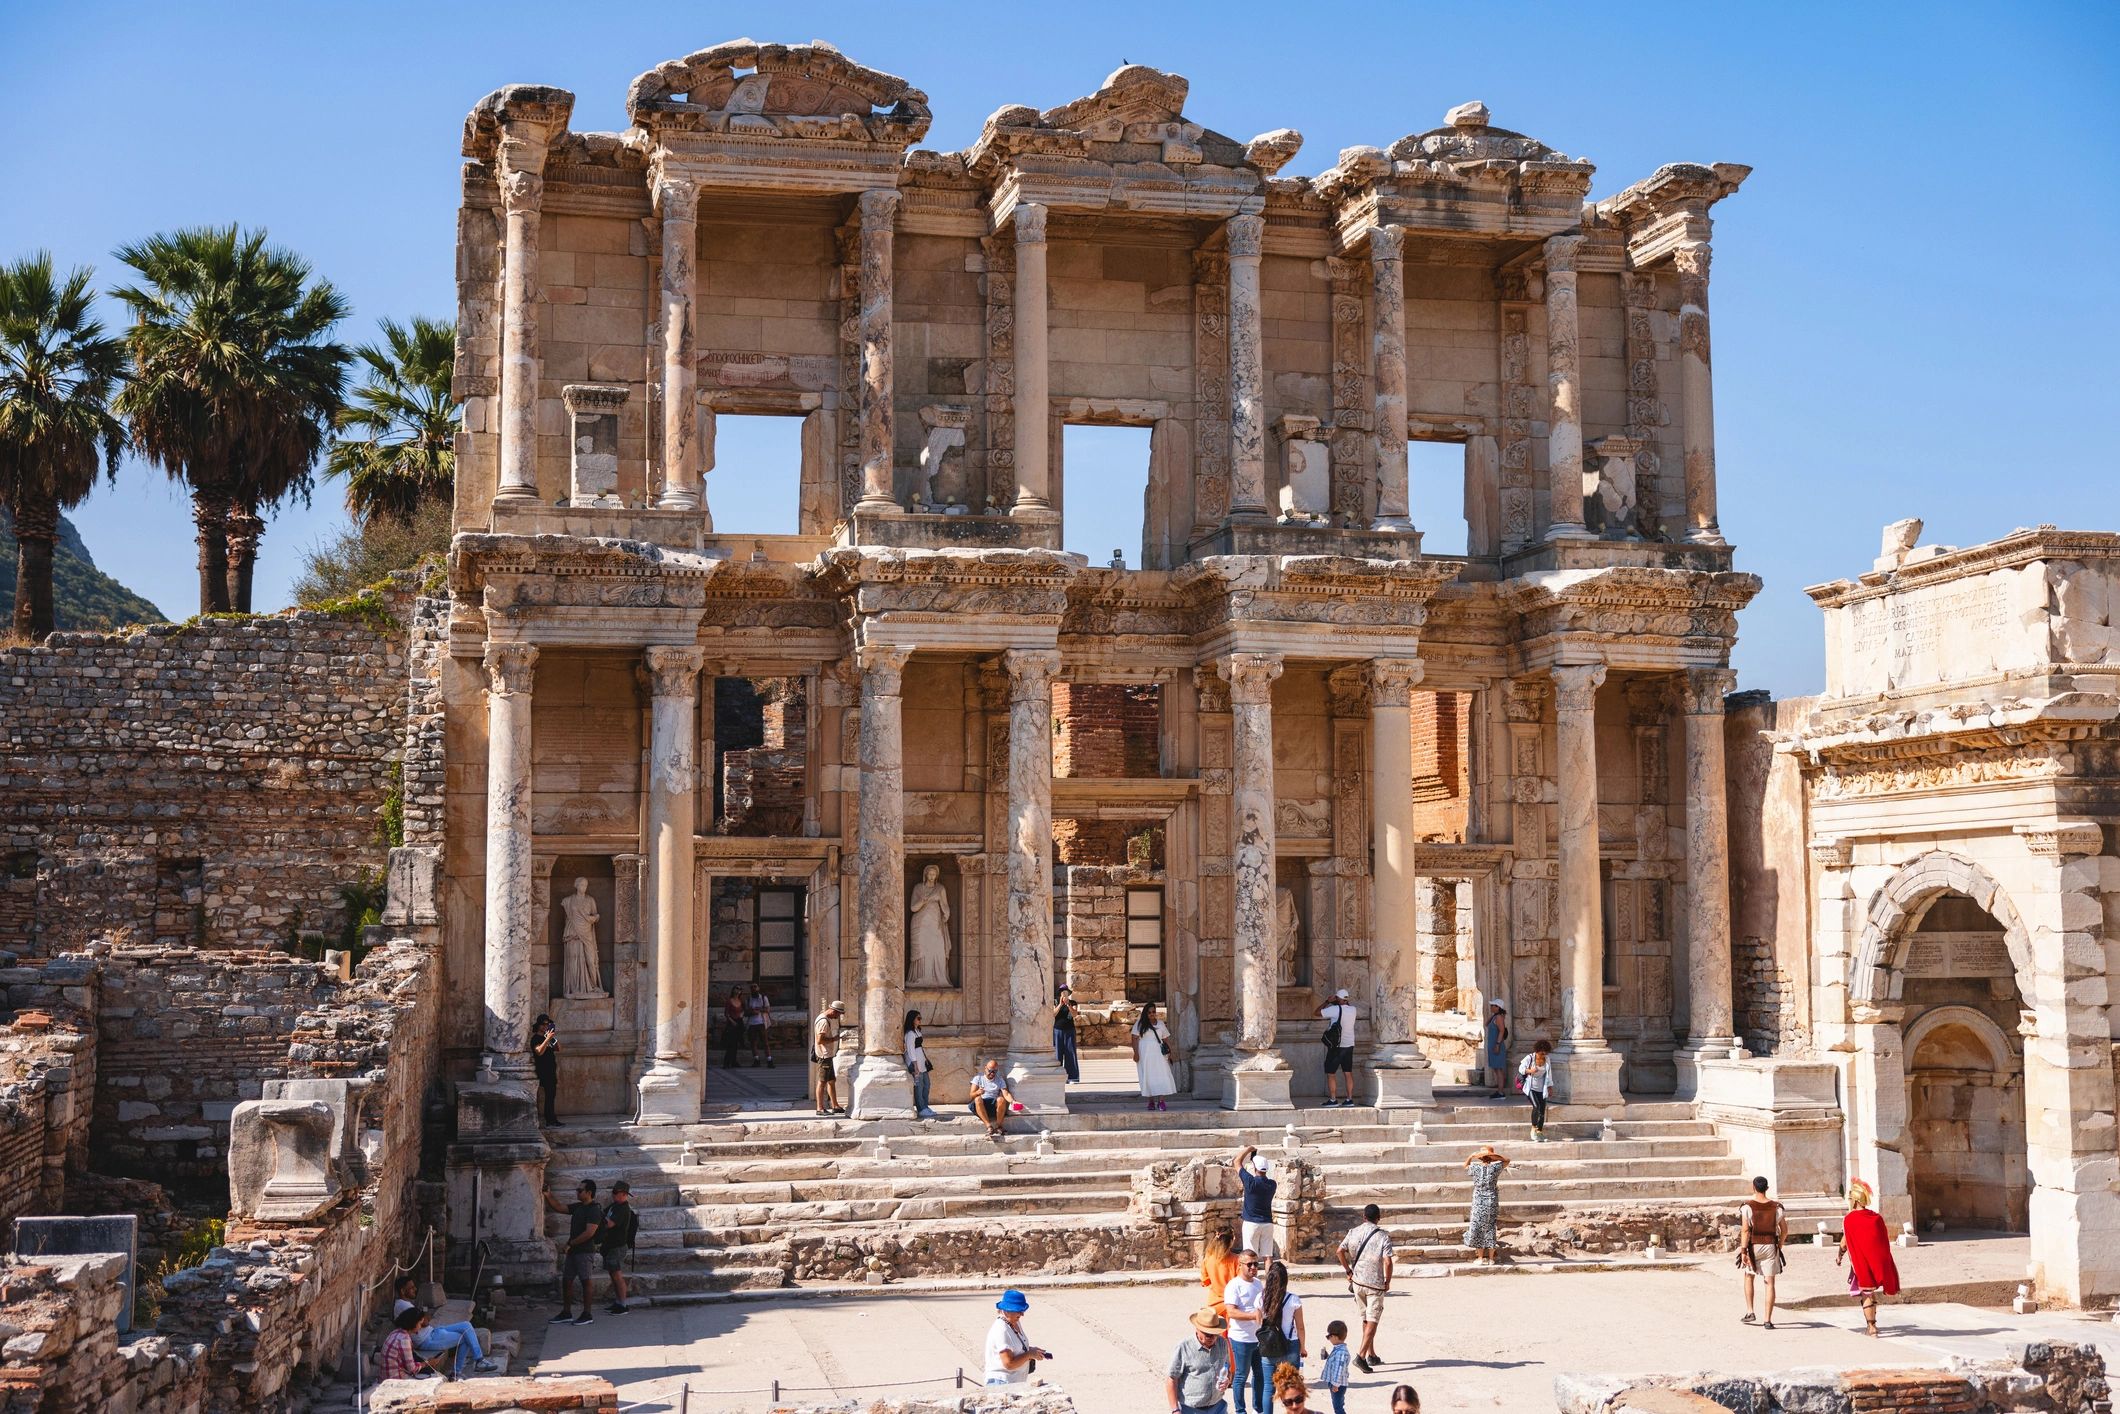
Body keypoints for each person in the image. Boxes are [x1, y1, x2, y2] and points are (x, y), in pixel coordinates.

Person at [392, 1275, 499, 1375]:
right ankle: (459, 1371)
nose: (415, 1289)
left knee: (466, 1325)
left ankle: (477, 1361)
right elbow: (424, 1321)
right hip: (427, 1340)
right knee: (466, 1337)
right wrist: (425, 1316)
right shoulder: (404, 1306)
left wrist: (425, 1316)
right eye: (411, 1288)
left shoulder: (405, 1304)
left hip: (432, 1331)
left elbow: (425, 1319)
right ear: (402, 1291)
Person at [1836, 1179, 1900, 1338]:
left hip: (1862, 1262)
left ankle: (1871, 1327)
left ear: (1855, 1200)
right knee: (1870, 1292)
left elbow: (1844, 1243)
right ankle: (1873, 1323)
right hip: (1878, 1261)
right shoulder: (1876, 1217)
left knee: (1867, 1293)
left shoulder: (1850, 1219)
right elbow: (1883, 1241)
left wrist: (1839, 1256)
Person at [1335, 1202, 1393, 1373]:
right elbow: (1388, 1261)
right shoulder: (1383, 1236)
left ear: (1364, 1217)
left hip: (1358, 1283)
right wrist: (1387, 1281)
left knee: (1366, 1319)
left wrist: (1348, 1270)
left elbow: (1339, 1251)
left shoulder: (1354, 1232)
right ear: (1379, 1218)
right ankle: (1360, 1356)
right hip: (1374, 1284)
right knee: (1373, 1320)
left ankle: (1371, 1354)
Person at [544, 1179, 603, 1325]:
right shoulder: (579, 1207)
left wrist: (571, 1243)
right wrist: (548, 1195)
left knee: (586, 1281)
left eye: (580, 1190)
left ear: (589, 1193)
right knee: (567, 1281)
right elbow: (559, 1207)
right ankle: (566, 1312)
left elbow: (589, 1233)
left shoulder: (594, 1210)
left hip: (584, 1251)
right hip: (574, 1251)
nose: (577, 1192)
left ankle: (587, 1314)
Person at [1738, 1174, 1788, 1329]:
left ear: (1753, 1187)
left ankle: (1750, 1311)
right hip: (1771, 1245)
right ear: (1767, 1188)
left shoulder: (1747, 1207)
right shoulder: (1777, 1207)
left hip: (1754, 1246)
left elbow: (1745, 1231)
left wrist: (1743, 1250)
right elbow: (1784, 1231)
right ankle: (1767, 1320)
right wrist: (1779, 1244)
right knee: (1770, 1282)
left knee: (1748, 1276)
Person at [1223, 1247, 1267, 1414]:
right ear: (1240, 1265)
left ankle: (1259, 1408)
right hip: (1241, 1338)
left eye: (1256, 1264)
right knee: (1241, 1376)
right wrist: (1252, 1316)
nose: (1253, 1268)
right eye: (1249, 1264)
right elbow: (1231, 1312)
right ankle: (1240, 1410)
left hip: (1258, 1338)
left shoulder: (1257, 1283)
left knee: (1260, 1374)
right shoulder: (1234, 1286)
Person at [1167, 1305, 1234, 1414]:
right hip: (1190, 1409)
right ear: (1198, 1329)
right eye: (1208, 1334)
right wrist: (1175, 1409)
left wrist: (1227, 1380)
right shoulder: (1184, 1347)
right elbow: (1171, 1379)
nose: (1212, 1338)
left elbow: (1228, 1369)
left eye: (1215, 1334)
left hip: (1218, 1407)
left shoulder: (1223, 1343)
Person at [983, 1288, 1049, 1386]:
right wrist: (1029, 1354)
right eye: (1018, 1310)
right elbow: (1008, 1363)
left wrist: (1032, 1351)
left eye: (1022, 1310)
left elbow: (1015, 1348)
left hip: (1013, 1381)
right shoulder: (1001, 1330)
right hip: (1001, 1382)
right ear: (1007, 1310)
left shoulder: (1014, 1321)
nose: (1022, 1314)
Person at [1462, 1143, 1510, 1265]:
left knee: (1478, 1227)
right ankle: (1491, 1259)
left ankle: (1480, 1258)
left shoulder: (1475, 1167)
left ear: (1480, 1158)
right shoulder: (1496, 1167)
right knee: (1490, 1227)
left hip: (1478, 1199)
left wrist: (1471, 1156)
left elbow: (1465, 1165)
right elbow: (1507, 1161)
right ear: (1491, 1157)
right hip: (1491, 1199)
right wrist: (1496, 1157)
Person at [1256, 1258, 1304, 1376]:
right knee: (1291, 1386)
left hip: (1269, 1343)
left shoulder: (1261, 1297)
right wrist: (1302, 1347)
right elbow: (1300, 1327)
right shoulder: (1293, 1300)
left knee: (1268, 1387)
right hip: (1290, 1343)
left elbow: (1259, 1321)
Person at [600, 1179, 639, 1314]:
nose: (613, 1194)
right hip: (610, 1245)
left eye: (616, 1192)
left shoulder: (623, 1209)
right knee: (613, 1275)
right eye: (613, 1192)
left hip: (617, 1246)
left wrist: (600, 1218)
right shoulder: (614, 1206)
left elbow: (610, 1224)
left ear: (624, 1194)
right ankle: (618, 1302)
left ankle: (623, 1305)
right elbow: (603, 1214)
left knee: (617, 1276)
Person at [1235, 1144, 1279, 1260]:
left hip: (1251, 1223)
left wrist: (1248, 1149)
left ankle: (1252, 1278)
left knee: (1249, 1257)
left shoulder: (1250, 1182)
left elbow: (1237, 1162)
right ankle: (1271, 1278)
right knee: (1268, 1256)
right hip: (1267, 1223)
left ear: (1255, 1169)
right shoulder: (1272, 1184)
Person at [1135, 1000, 1177, 1111]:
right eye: (1149, 1012)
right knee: (1148, 1076)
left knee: (1162, 1074)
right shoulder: (1139, 1024)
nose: (1152, 1014)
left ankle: (1161, 1101)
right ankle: (1151, 1102)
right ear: (1145, 1013)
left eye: (1153, 1011)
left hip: (1159, 1053)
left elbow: (1166, 1039)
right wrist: (1136, 1053)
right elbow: (1134, 1038)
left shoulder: (1161, 1024)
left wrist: (1170, 1053)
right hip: (1145, 1053)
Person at [1318, 990, 1357, 1107]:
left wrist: (1327, 1002)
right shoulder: (1353, 1009)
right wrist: (1337, 1001)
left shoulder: (1335, 1009)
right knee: (1348, 1072)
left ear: (1338, 999)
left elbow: (1316, 1012)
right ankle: (1349, 1099)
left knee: (1331, 1073)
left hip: (1336, 1047)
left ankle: (1333, 1099)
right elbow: (1345, 1007)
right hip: (1349, 1045)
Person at [382, 1306, 437, 1382]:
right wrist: (427, 1363)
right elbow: (412, 1369)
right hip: (395, 1379)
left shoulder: (395, 1332)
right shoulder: (404, 1340)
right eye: (420, 1324)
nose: (420, 1327)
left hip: (386, 1375)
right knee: (432, 1377)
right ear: (414, 1323)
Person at [813, 1000, 847, 1116]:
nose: (838, 1017)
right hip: (824, 1055)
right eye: (838, 1014)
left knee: (831, 1081)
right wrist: (835, 1039)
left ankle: (835, 1105)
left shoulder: (823, 1018)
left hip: (827, 1055)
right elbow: (820, 1040)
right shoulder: (823, 1022)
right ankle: (820, 1108)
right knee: (822, 1082)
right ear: (833, 1011)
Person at [969, 1058, 1017, 1139]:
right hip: (981, 1104)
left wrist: (1013, 1101)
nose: (992, 1073)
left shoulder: (1000, 1080)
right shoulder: (978, 1078)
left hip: (994, 1104)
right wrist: (978, 1092)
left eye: (995, 1071)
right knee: (977, 1099)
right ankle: (989, 1126)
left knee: (1001, 1099)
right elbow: (971, 1095)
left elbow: (1006, 1094)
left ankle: (999, 1126)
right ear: (985, 1068)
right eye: (990, 1070)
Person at [1199, 1226, 1240, 1316]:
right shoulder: (1237, 1260)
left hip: (1213, 1305)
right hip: (1233, 1305)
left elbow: (1205, 1282)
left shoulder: (1208, 1258)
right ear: (1231, 1241)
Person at [1517, 1039, 1552, 1142]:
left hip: (1542, 1088)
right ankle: (1533, 1128)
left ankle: (1539, 1132)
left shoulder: (1547, 1059)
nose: (1543, 1055)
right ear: (1537, 1051)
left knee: (1542, 1110)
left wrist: (1550, 1087)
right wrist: (1530, 1070)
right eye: (1541, 1053)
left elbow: (1549, 1073)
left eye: (1545, 1053)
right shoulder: (1530, 1058)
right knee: (1536, 1106)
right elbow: (1521, 1069)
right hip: (1531, 1087)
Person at [904, 1009, 936, 1118]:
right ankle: (921, 1108)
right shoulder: (910, 1034)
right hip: (915, 1062)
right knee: (919, 1086)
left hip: (921, 1061)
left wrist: (925, 1058)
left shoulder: (917, 1031)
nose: (920, 1020)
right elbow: (910, 1050)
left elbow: (920, 1047)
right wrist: (915, 1066)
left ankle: (925, 1106)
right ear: (912, 1019)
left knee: (926, 1084)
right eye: (918, 1018)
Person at [1317, 1320, 1352, 1414]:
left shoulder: (1341, 1352)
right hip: (1335, 1383)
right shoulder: (1338, 1349)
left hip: (1338, 1385)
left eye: (1329, 1336)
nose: (1328, 1339)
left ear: (1335, 1337)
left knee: (1338, 1407)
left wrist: (1336, 1384)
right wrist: (1327, 1356)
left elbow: (1339, 1369)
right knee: (1337, 1404)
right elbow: (1335, 1363)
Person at [530, 1014, 559, 1126]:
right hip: (543, 1070)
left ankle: (552, 1119)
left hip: (551, 1070)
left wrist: (552, 1038)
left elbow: (559, 1048)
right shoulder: (535, 1039)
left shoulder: (548, 1038)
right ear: (538, 1025)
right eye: (543, 1024)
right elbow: (539, 1052)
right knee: (548, 1095)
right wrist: (547, 1039)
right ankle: (550, 1120)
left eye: (547, 1024)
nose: (545, 1026)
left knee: (551, 1095)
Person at [1054, 986, 1081, 1085]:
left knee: (1070, 1052)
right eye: (1062, 992)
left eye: (1065, 992)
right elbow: (1053, 1014)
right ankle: (1058, 1077)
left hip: (1069, 1030)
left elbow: (1074, 1014)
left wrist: (1068, 1005)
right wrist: (1061, 1005)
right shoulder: (1055, 1002)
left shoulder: (1073, 1003)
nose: (1064, 994)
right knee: (1057, 1053)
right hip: (1058, 1030)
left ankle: (1072, 1077)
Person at [1482, 1003, 1510, 1097]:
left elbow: (1501, 1031)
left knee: (1499, 1069)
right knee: (1496, 1068)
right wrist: (1493, 1015)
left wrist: (1497, 1044)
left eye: (1493, 1005)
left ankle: (1501, 1092)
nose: (1491, 1007)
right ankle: (1499, 1091)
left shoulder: (1499, 1017)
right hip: (1492, 1046)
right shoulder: (1495, 1017)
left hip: (1497, 1045)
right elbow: (1486, 1024)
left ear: (1498, 1007)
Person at [744, 983, 774, 1066]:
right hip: (752, 1023)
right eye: (752, 987)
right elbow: (745, 1012)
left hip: (762, 1022)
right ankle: (756, 1059)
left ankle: (769, 1059)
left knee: (765, 1042)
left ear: (758, 988)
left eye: (755, 987)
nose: (753, 988)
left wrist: (759, 1010)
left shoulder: (763, 998)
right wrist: (751, 1012)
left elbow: (768, 1009)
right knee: (753, 1042)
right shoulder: (748, 999)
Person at [722, 988, 747, 1069]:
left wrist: (742, 1014)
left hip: (739, 1022)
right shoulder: (729, 1001)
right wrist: (732, 1021)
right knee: (730, 1044)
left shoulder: (741, 1001)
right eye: (736, 988)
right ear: (733, 990)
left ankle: (733, 1061)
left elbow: (744, 1010)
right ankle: (726, 1062)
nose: (738, 990)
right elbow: (726, 1013)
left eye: (740, 989)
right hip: (731, 1023)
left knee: (736, 1043)